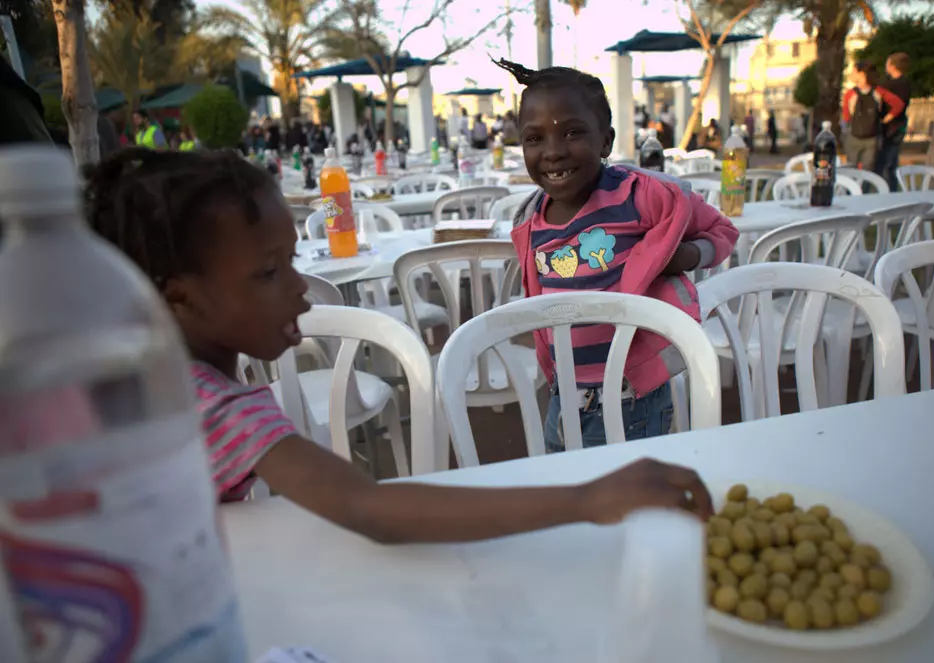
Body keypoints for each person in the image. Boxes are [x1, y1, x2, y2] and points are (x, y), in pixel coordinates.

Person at [80, 148, 714, 541]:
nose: (303, 290)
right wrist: (583, 499)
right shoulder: (211, 409)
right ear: (180, 298)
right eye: (269, 273)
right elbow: (368, 509)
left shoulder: (140, 385)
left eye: (290, 263)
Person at [492, 58, 739, 451]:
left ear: (605, 140)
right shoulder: (532, 217)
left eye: (572, 132)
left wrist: (684, 256)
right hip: (564, 397)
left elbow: (723, 231)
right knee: (571, 497)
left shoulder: (639, 195)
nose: (553, 152)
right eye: (535, 139)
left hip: (632, 401)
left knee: (630, 502)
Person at [841, 61, 904, 170]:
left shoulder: (850, 94)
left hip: (854, 134)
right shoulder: (878, 91)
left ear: (862, 74)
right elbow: (898, 104)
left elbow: (846, 116)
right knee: (868, 169)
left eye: (854, 71)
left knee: (851, 168)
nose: (851, 74)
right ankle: (865, 187)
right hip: (873, 136)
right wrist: (886, 118)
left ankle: (852, 187)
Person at [874, 53, 912, 191]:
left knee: (888, 162)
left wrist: (885, 120)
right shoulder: (903, 82)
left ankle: (889, 189)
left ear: (892, 66)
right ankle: (888, 188)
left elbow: (899, 105)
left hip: (893, 127)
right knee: (888, 161)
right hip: (894, 126)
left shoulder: (896, 84)